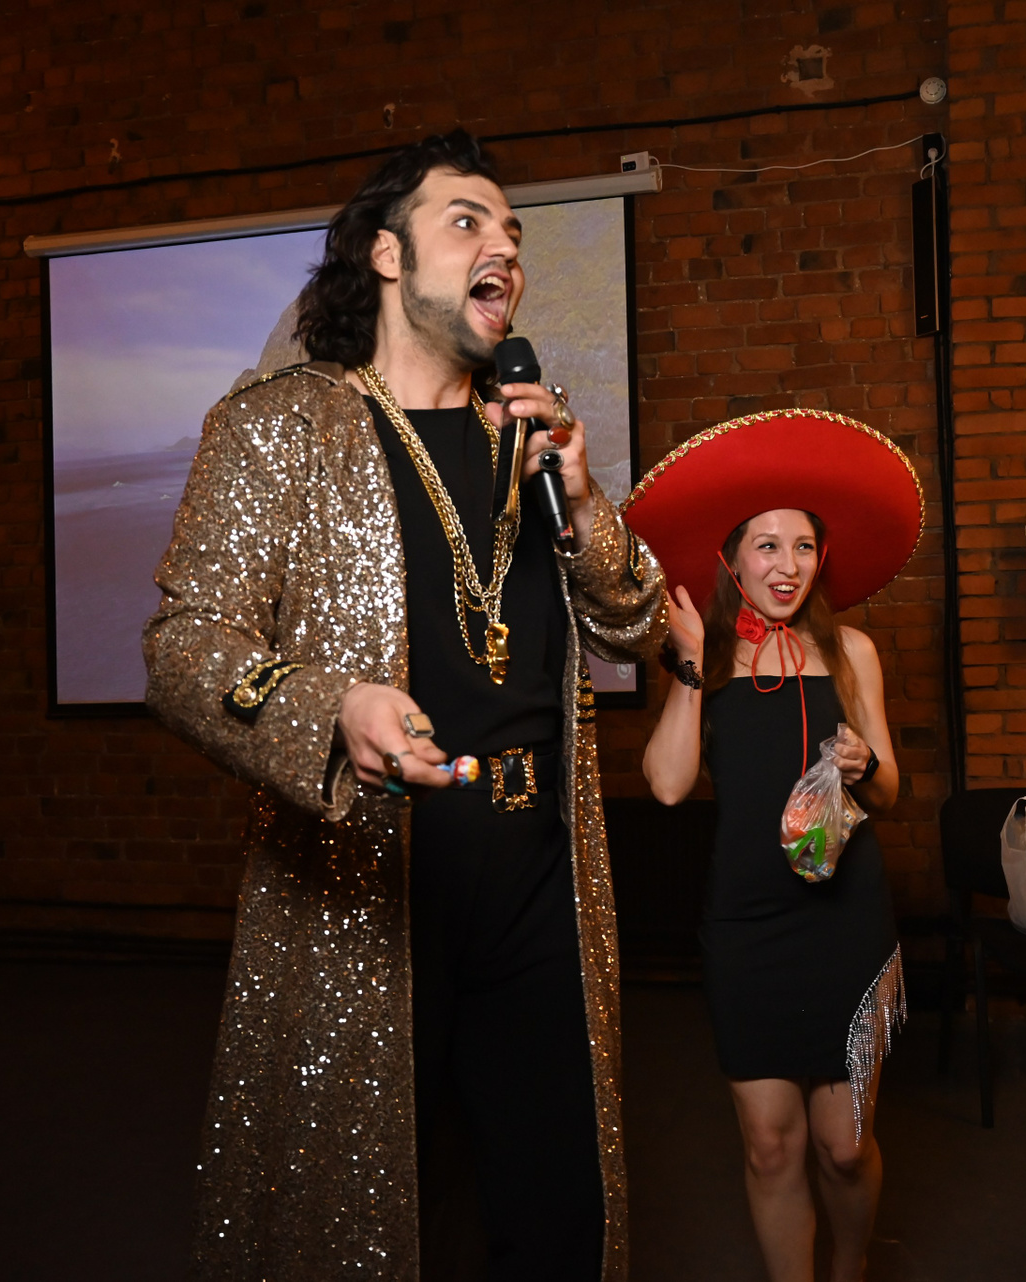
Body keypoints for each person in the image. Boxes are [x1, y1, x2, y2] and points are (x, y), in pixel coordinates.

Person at [144, 129, 666, 1280]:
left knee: (560, 1211)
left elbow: (640, 625)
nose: (504, 249)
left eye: (513, 231)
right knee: (364, 1221)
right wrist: (327, 707)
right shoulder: (280, 424)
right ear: (387, 255)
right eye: (467, 222)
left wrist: (585, 508)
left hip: (539, 884)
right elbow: (184, 649)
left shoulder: (532, 439)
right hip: (370, 889)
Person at [623, 410, 923, 1282]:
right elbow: (668, 784)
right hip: (748, 927)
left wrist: (866, 766)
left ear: (822, 558)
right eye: (766, 546)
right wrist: (688, 668)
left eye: (803, 546)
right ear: (730, 560)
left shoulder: (853, 651)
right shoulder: (704, 657)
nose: (787, 566)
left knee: (843, 1147)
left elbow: (890, 793)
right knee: (769, 1146)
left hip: (846, 923)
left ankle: (850, 1269)